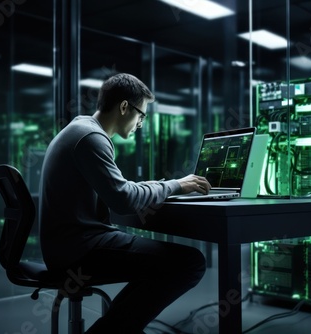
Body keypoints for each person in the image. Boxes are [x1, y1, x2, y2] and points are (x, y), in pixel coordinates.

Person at [38, 72, 212, 333]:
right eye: (141, 115)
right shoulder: (90, 138)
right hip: (78, 252)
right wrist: (177, 185)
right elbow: (124, 200)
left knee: (158, 266)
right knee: (190, 263)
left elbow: (120, 190)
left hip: (67, 246)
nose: (140, 123)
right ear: (123, 107)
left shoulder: (81, 129)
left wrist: (158, 186)